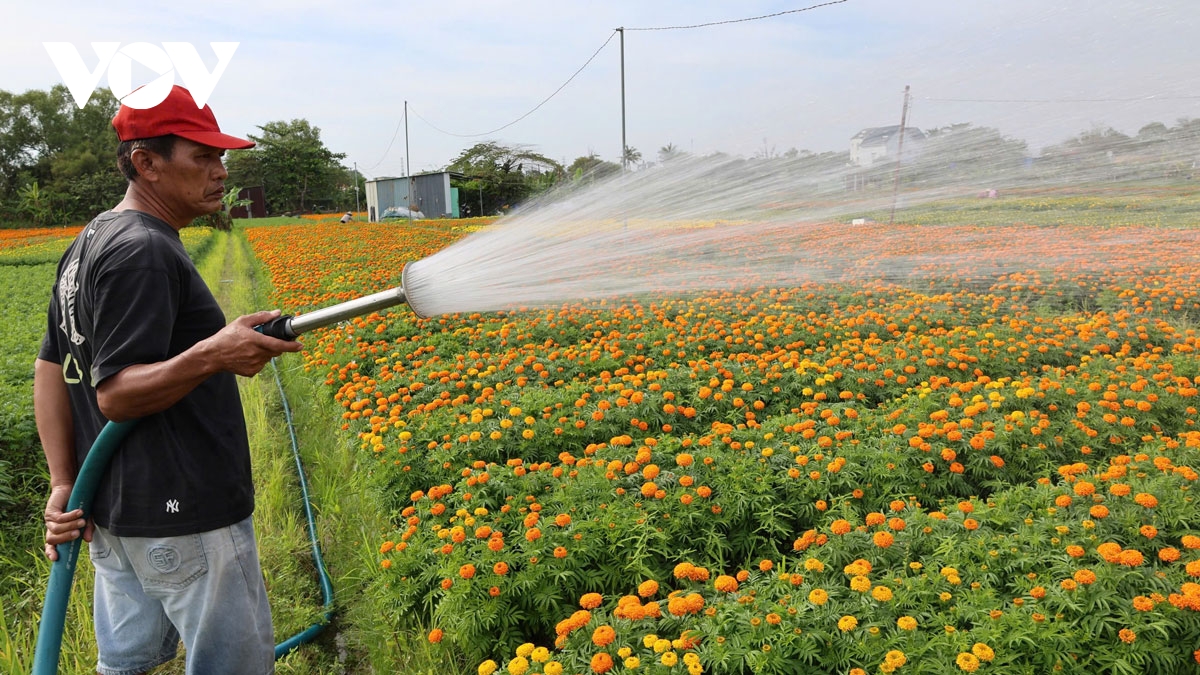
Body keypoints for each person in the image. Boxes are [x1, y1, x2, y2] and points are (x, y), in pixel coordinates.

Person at [36, 84, 301, 675]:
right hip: (184, 513)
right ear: (146, 163)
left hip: (117, 512)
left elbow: (51, 365)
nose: (220, 171)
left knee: (125, 665)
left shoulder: (92, 240)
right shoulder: (144, 251)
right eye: (202, 157)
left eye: (220, 156)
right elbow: (117, 394)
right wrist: (213, 354)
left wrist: (62, 481)